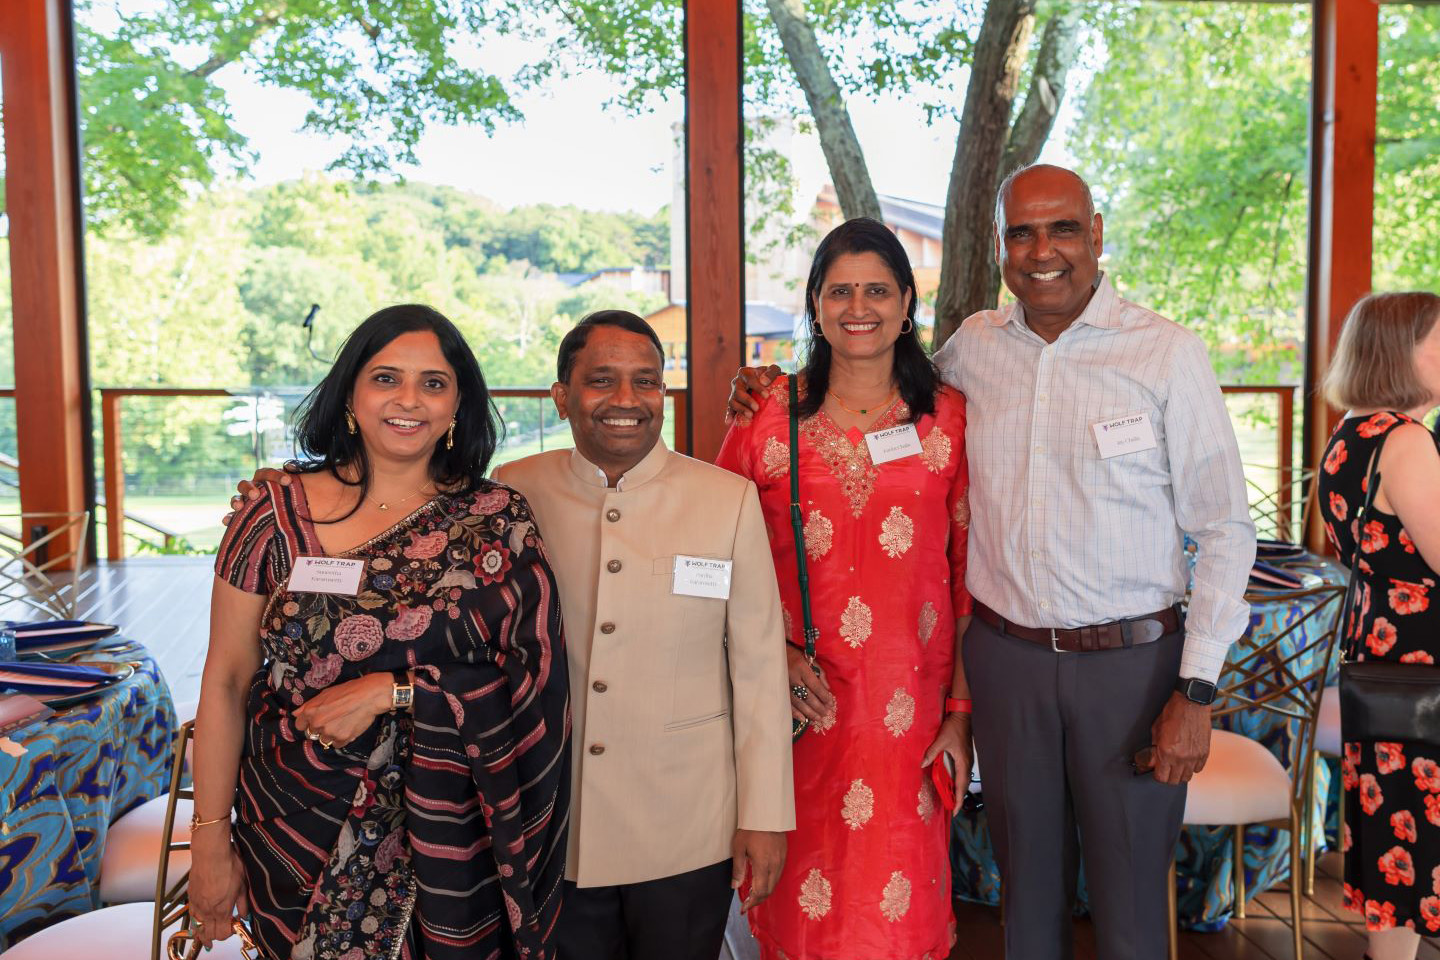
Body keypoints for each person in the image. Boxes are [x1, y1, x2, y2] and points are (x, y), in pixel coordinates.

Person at [729, 165, 1256, 959]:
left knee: (1131, 913)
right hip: (1007, 666)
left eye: (1064, 229)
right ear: (1002, 246)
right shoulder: (973, 352)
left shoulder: (1165, 354)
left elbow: (1225, 528)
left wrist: (1197, 688)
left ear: (1097, 234)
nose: (1043, 251)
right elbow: (877, 382)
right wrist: (761, 384)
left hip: (1132, 665)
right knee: (1028, 902)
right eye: (1021, 233)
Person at [231, 310, 794, 960]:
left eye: (646, 382)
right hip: (544, 820)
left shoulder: (726, 500)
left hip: (686, 820)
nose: (626, 401)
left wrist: (765, 814)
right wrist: (280, 486)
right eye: (601, 380)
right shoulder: (509, 493)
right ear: (560, 396)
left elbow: (757, 669)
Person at [193, 305, 570, 960]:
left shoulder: (497, 520)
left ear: (459, 406)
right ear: (350, 396)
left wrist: (394, 691)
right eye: (386, 378)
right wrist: (207, 840)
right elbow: (225, 682)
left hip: (455, 839)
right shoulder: (272, 513)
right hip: (293, 824)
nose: (409, 401)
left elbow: (534, 679)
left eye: (433, 383)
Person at [715, 217, 973, 960]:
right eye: (840, 291)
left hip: (910, 717)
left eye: (877, 290)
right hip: (796, 705)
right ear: (816, 306)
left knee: (901, 912)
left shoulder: (949, 418)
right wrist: (770, 656)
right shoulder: (766, 416)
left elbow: (965, 581)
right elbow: (714, 557)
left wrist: (961, 712)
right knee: (801, 907)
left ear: (905, 302)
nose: (859, 307)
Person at [1317, 291, 1440, 960]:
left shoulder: (1350, 436)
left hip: (1381, 663)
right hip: (1425, 670)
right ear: (1401, 354)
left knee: (1398, 846)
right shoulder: (1407, 440)